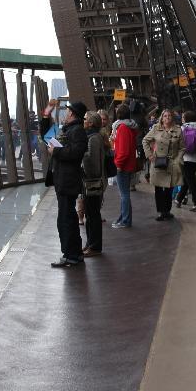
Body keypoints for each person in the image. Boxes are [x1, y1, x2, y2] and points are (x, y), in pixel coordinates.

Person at [47, 101, 89, 267]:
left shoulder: (77, 130)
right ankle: (74, 254)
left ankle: (71, 255)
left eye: (67, 111)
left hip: (67, 180)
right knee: (67, 217)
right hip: (64, 180)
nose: (65, 114)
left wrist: (55, 150)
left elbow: (76, 152)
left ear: (72, 113)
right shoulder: (70, 129)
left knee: (66, 219)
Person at [142, 109, 183, 221]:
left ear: (172, 118)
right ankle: (160, 212)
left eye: (169, 115)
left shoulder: (178, 130)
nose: (167, 117)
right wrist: (149, 155)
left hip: (172, 163)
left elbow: (182, 148)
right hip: (158, 162)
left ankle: (167, 211)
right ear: (162, 118)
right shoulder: (156, 128)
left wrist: (178, 160)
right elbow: (145, 140)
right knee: (159, 188)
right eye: (165, 116)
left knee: (169, 188)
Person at [81, 111, 106, 256]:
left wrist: (81, 155)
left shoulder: (93, 139)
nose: (83, 121)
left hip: (93, 183)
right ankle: (90, 243)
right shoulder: (92, 137)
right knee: (90, 215)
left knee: (93, 215)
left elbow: (93, 164)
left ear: (90, 123)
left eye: (85, 119)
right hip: (90, 183)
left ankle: (95, 247)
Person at [111, 104, 138, 228]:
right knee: (124, 194)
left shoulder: (122, 128)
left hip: (123, 165)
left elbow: (123, 151)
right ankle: (123, 217)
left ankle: (125, 220)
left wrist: (118, 164)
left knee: (124, 194)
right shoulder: (129, 126)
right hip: (129, 164)